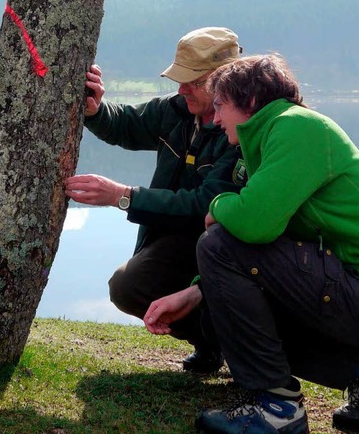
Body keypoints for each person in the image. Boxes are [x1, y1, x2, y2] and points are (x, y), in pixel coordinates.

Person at [143, 54, 359, 433]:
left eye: (220, 105)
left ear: (250, 101)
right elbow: (272, 240)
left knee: (217, 243)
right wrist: (199, 292)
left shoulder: (295, 128)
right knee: (221, 306)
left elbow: (253, 226)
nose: (216, 119)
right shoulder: (275, 136)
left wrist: (217, 204)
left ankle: (276, 408)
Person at [65, 27, 246, 374]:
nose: (181, 89)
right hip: (175, 240)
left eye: (191, 82)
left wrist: (122, 197)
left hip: (222, 246)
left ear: (222, 80)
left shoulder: (241, 130)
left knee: (133, 284)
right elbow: (128, 125)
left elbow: (203, 203)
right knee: (127, 287)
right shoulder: (174, 110)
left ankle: (241, 349)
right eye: (179, 79)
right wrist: (95, 110)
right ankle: (210, 343)